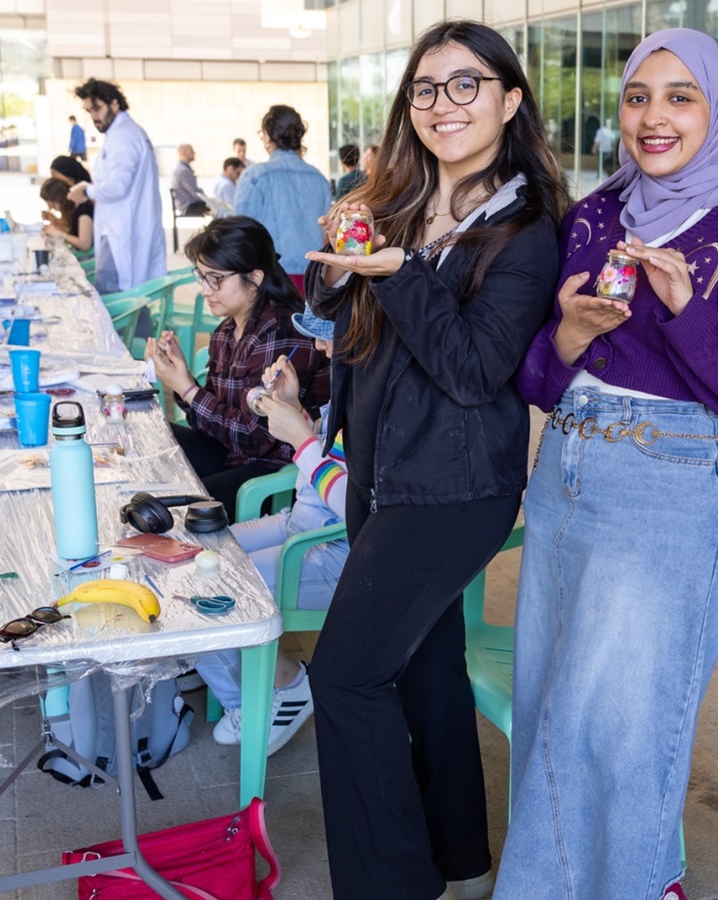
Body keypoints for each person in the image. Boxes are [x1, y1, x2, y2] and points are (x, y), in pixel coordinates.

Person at [502, 28, 718, 900]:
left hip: (674, 483)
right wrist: (569, 336)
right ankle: (644, 875)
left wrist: (688, 311)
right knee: (548, 703)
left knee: (614, 720)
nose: (654, 116)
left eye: (681, 96)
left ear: (717, 112)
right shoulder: (597, 214)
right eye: (639, 96)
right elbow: (539, 378)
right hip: (569, 468)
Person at [300, 20, 565, 900]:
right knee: (426, 665)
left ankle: (394, 885)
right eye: (426, 88)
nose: (443, 104)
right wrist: (343, 271)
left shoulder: (524, 228)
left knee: (344, 675)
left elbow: (474, 369)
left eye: (466, 84)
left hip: (454, 489)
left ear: (509, 99)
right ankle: (459, 857)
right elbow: (344, 314)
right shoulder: (398, 198)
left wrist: (395, 269)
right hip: (382, 470)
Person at [194, 306, 346, 757]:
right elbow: (324, 464)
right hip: (303, 522)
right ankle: (243, 674)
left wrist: (300, 437)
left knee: (205, 593)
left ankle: (277, 690)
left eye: (328, 337)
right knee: (191, 556)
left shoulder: (380, 400)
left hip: (335, 549)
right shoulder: (349, 385)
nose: (319, 346)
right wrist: (295, 409)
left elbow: (353, 503)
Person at [149, 216, 329, 518]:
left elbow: (254, 437)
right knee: (156, 441)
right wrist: (183, 378)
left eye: (216, 279)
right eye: (201, 277)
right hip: (237, 453)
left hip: (277, 473)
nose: (206, 289)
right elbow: (214, 424)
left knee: (183, 511)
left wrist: (187, 388)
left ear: (255, 278)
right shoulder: (227, 330)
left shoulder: (282, 331)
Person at [68, 78, 165, 294]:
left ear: (114, 104)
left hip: (122, 229)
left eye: (97, 109)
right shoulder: (125, 133)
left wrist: (86, 191)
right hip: (122, 226)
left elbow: (118, 186)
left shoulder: (124, 136)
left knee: (116, 298)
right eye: (89, 111)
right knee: (131, 297)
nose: (94, 117)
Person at [234, 105, 331, 290]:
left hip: (270, 277)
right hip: (314, 276)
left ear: (267, 135)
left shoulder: (255, 175)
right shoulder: (319, 179)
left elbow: (242, 230)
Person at [40, 162, 94, 253]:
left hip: (88, 260)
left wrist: (60, 233)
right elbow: (74, 231)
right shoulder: (73, 208)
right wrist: (56, 229)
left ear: (60, 198)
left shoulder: (84, 209)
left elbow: (85, 244)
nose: (52, 208)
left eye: (52, 205)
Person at [172, 143, 210, 215]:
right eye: (191, 151)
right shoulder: (184, 170)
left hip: (188, 205)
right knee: (218, 209)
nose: (194, 153)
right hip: (189, 207)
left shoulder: (182, 168)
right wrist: (209, 201)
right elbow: (195, 193)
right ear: (183, 152)